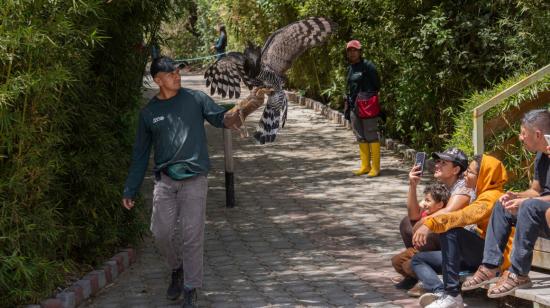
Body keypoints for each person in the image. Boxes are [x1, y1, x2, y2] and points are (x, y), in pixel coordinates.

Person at [121, 56, 243, 308]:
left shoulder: (195, 99)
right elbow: (140, 155)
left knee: (192, 235)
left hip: (195, 179)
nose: (178, 76)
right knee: (160, 232)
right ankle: (176, 268)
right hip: (165, 181)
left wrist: (241, 111)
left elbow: (221, 118)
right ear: (158, 80)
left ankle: (190, 288)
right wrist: (130, 188)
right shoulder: (149, 114)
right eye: (171, 73)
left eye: (178, 72)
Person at [460, 109, 550, 299]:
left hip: (544, 214)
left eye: (523, 133)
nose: (520, 137)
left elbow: (534, 200)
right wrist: (515, 195)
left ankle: (519, 273)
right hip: (540, 213)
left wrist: (526, 201)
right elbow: (535, 190)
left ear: (538, 134)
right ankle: (490, 267)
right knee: (502, 204)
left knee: (528, 206)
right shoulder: (542, 155)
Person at [413, 155, 513, 308]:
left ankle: (452, 294)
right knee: (419, 259)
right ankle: (441, 293)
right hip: (478, 255)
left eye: (470, 172)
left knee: (451, 231)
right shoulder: (480, 194)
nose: (465, 174)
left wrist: (430, 223)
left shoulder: (492, 197)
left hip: (495, 260)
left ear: (483, 176)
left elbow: (464, 216)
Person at [394, 148, 475, 294]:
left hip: (464, 247)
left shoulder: (464, 187)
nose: (437, 165)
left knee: (430, 229)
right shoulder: (443, 185)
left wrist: (425, 224)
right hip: (447, 241)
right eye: (438, 161)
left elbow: (447, 213)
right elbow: (413, 216)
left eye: (443, 163)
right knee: (407, 223)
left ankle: (420, 269)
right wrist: (412, 184)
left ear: (456, 169)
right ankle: (415, 270)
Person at [392, 183, 450, 287]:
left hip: (433, 253)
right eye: (424, 200)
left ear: (440, 205)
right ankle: (411, 279)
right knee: (396, 261)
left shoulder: (441, 216)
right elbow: (413, 214)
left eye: (428, 201)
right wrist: (412, 183)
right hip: (418, 249)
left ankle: (424, 281)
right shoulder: (427, 212)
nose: (424, 203)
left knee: (408, 265)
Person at [344, 39, 381, 177]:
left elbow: (377, 85)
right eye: (350, 50)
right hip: (354, 106)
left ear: (360, 52)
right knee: (360, 135)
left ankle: (375, 168)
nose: (352, 53)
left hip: (367, 106)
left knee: (371, 134)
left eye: (355, 50)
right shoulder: (350, 68)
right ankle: (365, 166)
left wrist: (368, 96)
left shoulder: (368, 66)